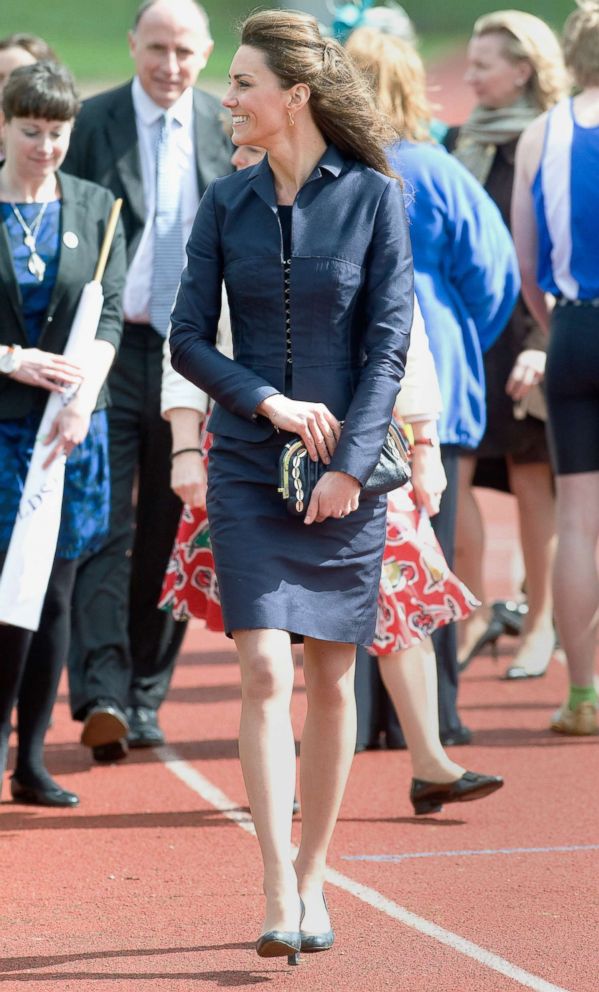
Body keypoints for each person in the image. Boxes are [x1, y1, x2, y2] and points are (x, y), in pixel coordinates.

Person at [169, 8, 413, 962]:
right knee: (266, 663)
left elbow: (388, 344)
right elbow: (189, 338)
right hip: (244, 460)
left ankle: (317, 881)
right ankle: (276, 883)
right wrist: (264, 400)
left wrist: (351, 467)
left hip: (347, 473)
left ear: (294, 96)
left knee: (329, 674)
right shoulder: (221, 204)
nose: (226, 98)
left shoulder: (374, 197)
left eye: (240, 85)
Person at [162, 290, 503, 818]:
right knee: (269, 630)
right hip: (250, 452)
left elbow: (406, 341)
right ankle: (280, 771)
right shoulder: (229, 211)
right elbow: (188, 342)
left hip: (363, 445)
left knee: (402, 592)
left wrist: (426, 447)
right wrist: (184, 446)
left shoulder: (373, 216)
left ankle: (431, 762)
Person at [61, 0, 232, 762]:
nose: (169, 65)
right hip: (108, 345)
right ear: (132, 45)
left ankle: (144, 694)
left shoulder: (224, 127)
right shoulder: (91, 124)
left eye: (184, 51)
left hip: (190, 353)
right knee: (101, 515)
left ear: (207, 53)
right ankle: (99, 687)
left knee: (174, 520)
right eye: (156, 48)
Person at [346, 27, 520, 747]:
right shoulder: (436, 170)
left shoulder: (333, 172)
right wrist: (455, 336)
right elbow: (493, 274)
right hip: (433, 371)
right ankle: (437, 711)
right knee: (430, 550)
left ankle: (358, 715)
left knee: (352, 549)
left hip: (350, 375)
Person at [0, 61, 126, 806]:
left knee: (52, 596)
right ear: (5, 124)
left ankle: (32, 759)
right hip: (4, 429)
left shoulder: (96, 205)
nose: (44, 146)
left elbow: (106, 314)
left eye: (57, 132)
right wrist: (11, 360)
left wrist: (84, 396)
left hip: (72, 433)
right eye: (29, 131)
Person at [446, 10, 567, 679]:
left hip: (529, 335)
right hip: (471, 335)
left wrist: (541, 340)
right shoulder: (461, 139)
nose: (468, 75)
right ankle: (471, 611)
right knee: (455, 472)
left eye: (483, 65)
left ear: (521, 71)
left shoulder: (548, 141)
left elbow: (553, 249)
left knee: (530, 482)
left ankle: (541, 620)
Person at [511, 0, 599, 735]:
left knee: (578, 521)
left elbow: (526, 260)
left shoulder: (544, 131)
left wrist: (557, 327)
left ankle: (582, 694)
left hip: (573, 328)